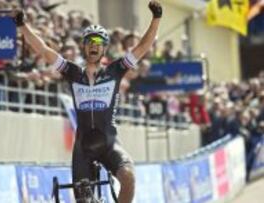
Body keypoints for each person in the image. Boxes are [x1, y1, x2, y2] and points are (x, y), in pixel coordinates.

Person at [14, 1, 162, 202]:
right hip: (83, 148)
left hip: (109, 144)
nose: (93, 46)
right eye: (89, 42)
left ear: (104, 49)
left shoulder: (115, 70)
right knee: (84, 200)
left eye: (98, 43)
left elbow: (143, 47)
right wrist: (23, 26)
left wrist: (156, 19)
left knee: (128, 177)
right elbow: (43, 50)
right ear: (84, 47)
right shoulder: (73, 72)